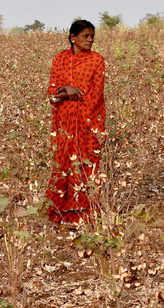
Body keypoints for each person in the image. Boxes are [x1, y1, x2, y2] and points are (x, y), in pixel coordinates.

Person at [46, 20, 106, 224]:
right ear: (73, 38)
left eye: (92, 36)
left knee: (85, 163)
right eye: (85, 36)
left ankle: (84, 213)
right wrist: (67, 90)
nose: (90, 40)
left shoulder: (97, 60)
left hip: (87, 122)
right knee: (63, 163)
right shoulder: (60, 58)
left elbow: (95, 94)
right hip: (64, 121)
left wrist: (67, 93)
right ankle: (60, 211)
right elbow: (52, 91)